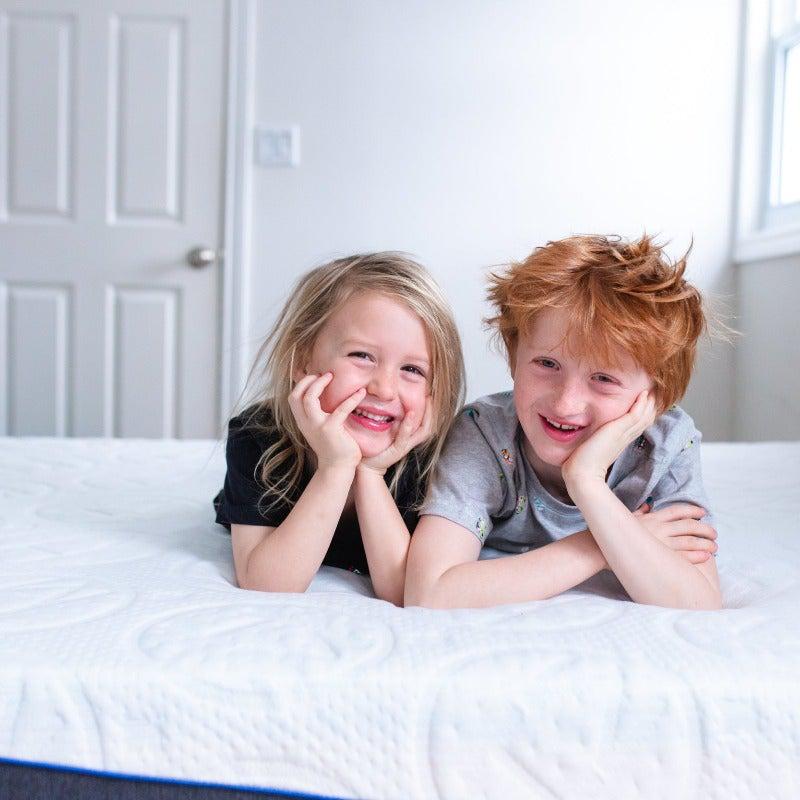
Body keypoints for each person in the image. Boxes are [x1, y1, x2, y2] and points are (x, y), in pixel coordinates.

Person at [405, 234, 722, 610]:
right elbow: (429, 592)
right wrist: (597, 547)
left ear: (656, 395)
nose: (565, 403)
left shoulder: (667, 443)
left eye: (604, 379)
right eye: (547, 364)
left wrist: (586, 481)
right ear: (514, 356)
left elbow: (699, 602)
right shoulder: (485, 433)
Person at [214, 252, 465, 605]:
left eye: (413, 370)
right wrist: (335, 466)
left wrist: (371, 472)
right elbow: (268, 585)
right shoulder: (258, 435)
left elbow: (404, 590)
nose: (385, 388)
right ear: (303, 359)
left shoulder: (436, 459)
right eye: (361, 356)